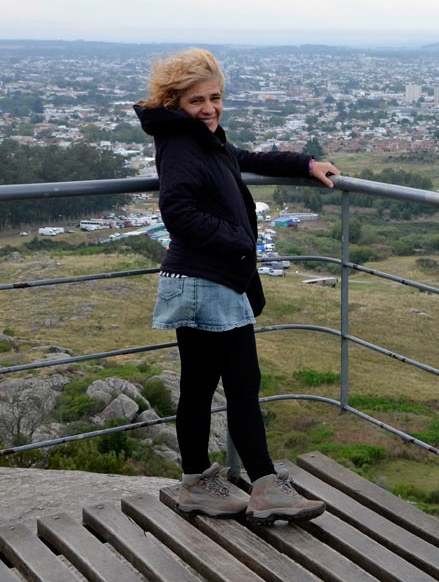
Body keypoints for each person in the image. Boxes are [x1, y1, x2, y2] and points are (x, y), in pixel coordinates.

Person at [134, 47, 339, 522]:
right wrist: (239, 244)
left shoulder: (201, 138)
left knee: (201, 387)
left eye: (216, 97)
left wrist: (305, 164)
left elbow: (245, 157)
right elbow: (178, 212)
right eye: (197, 101)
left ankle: (196, 485)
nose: (209, 108)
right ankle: (266, 488)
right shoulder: (183, 145)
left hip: (202, 280)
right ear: (173, 102)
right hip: (209, 281)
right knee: (243, 385)